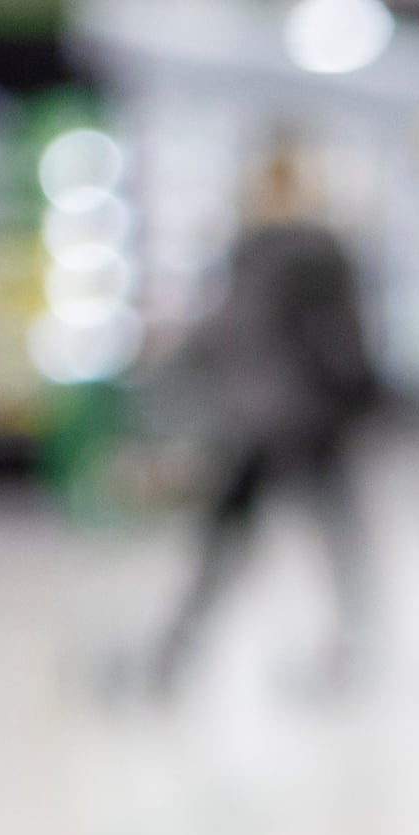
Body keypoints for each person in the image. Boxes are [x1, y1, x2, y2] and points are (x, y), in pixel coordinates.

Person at [149, 138, 382, 692]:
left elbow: (230, 333)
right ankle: (340, 649)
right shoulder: (289, 251)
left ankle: (181, 651)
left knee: (258, 539)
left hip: (271, 418)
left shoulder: (275, 253)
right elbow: (342, 342)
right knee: (314, 539)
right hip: (289, 418)